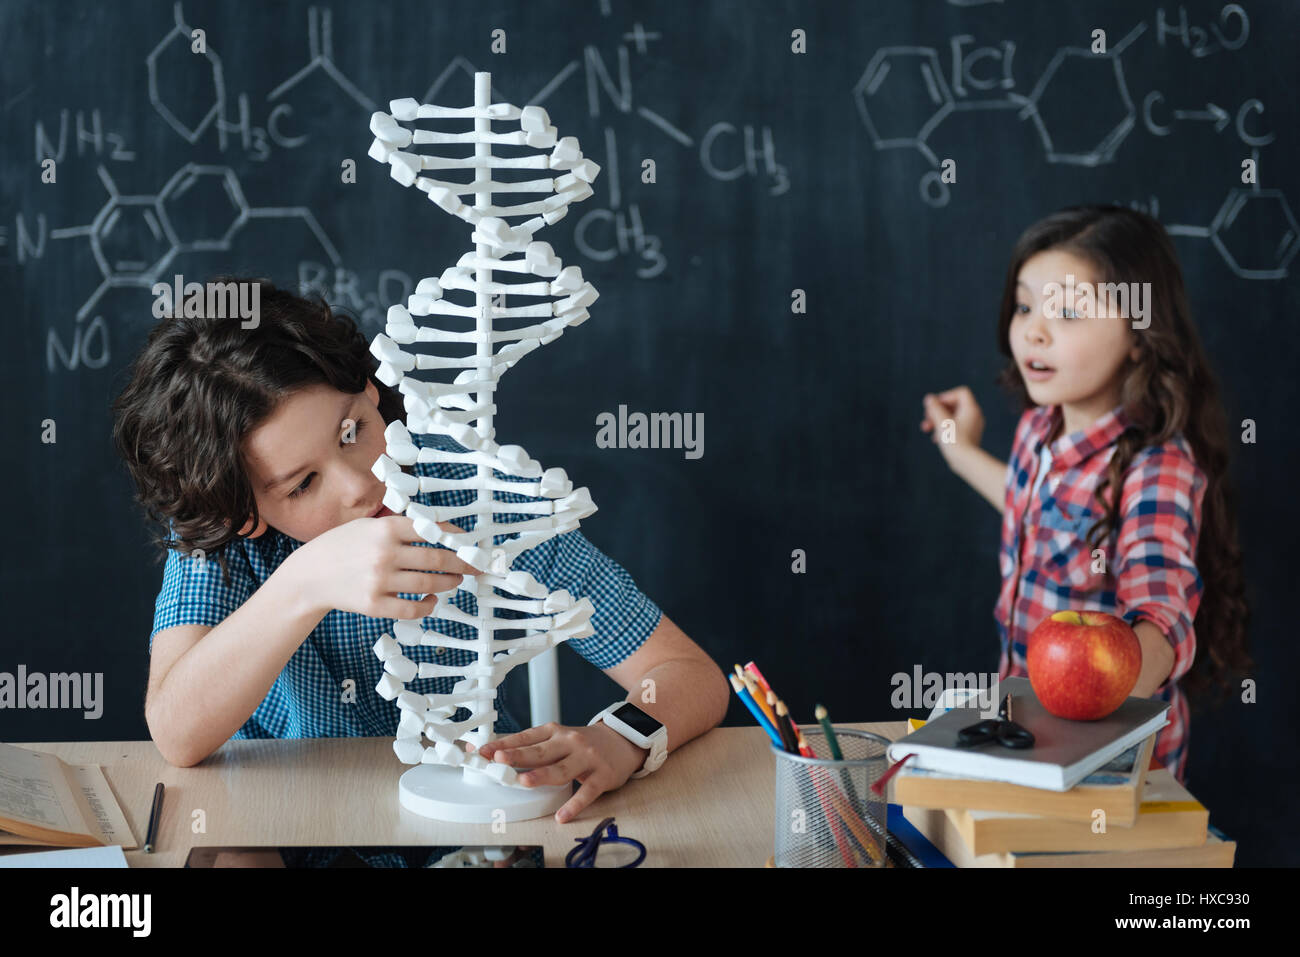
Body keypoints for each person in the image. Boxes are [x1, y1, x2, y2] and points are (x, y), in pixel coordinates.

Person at [112, 276, 728, 823]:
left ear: (371, 391)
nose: (362, 483)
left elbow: (687, 674)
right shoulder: (220, 546)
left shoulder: (480, 500)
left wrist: (624, 736)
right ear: (244, 514)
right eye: (303, 484)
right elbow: (177, 733)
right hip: (284, 823)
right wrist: (306, 582)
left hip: (468, 826)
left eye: (352, 431)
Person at [919, 206, 1250, 783]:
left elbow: (1162, 614)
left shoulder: (1156, 468)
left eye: (1069, 312)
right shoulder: (1038, 428)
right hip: (1025, 738)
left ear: (1140, 340)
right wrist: (960, 450)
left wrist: (1115, 672)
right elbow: (1042, 516)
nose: (1034, 330)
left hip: (1109, 767)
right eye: (1025, 306)